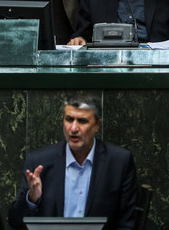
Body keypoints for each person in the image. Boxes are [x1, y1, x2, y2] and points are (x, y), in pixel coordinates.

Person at [8, 94, 138, 230]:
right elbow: (15, 223)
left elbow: (128, 223)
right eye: (69, 120)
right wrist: (31, 199)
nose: (73, 128)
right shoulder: (39, 162)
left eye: (82, 121)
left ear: (97, 125)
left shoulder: (119, 162)